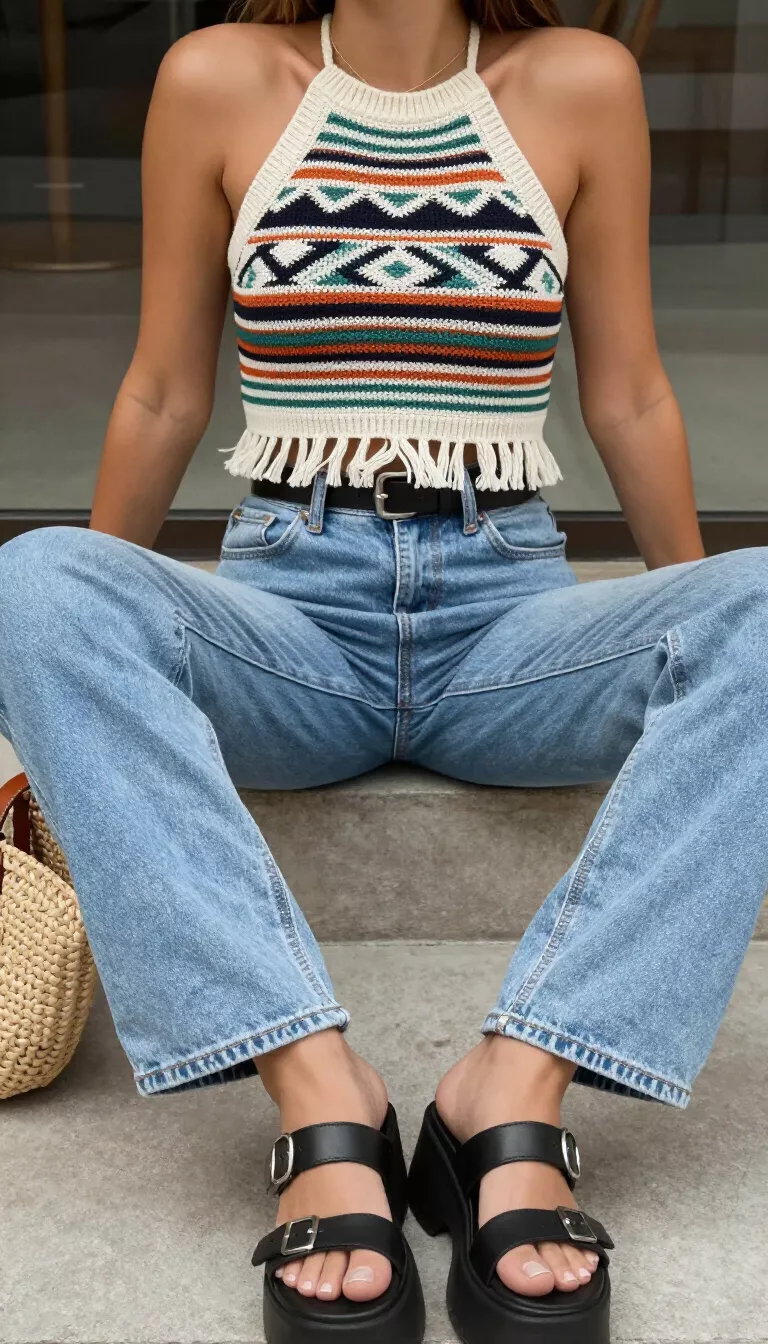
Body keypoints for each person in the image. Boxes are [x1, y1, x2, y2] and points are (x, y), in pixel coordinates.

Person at [1, 1, 766, 1341]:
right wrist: (64, 680)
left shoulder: (583, 83)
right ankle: (319, 1092)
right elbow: (165, 393)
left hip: (506, 624)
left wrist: (701, 654)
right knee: (36, 582)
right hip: (287, 619)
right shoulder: (219, 76)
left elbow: (631, 393)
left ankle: (512, 1092)